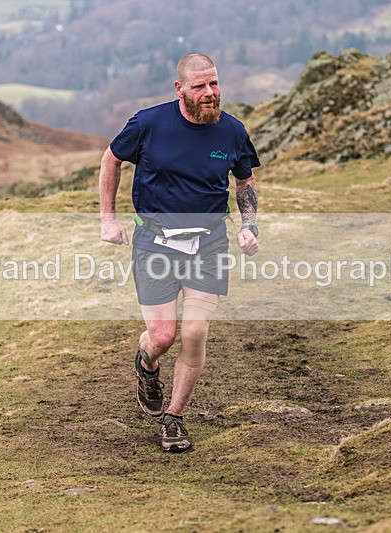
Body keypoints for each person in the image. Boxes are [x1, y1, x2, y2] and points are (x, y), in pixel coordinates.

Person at [99, 53, 261, 452]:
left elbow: (245, 182)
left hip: (209, 242)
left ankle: (174, 418)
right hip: (155, 242)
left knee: (194, 332)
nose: (210, 93)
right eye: (200, 87)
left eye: (215, 84)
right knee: (163, 336)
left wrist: (249, 226)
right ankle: (146, 362)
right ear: (180, 90)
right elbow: (111, 159)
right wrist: (108, 219)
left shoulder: (233, 131)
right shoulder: (148, 123)